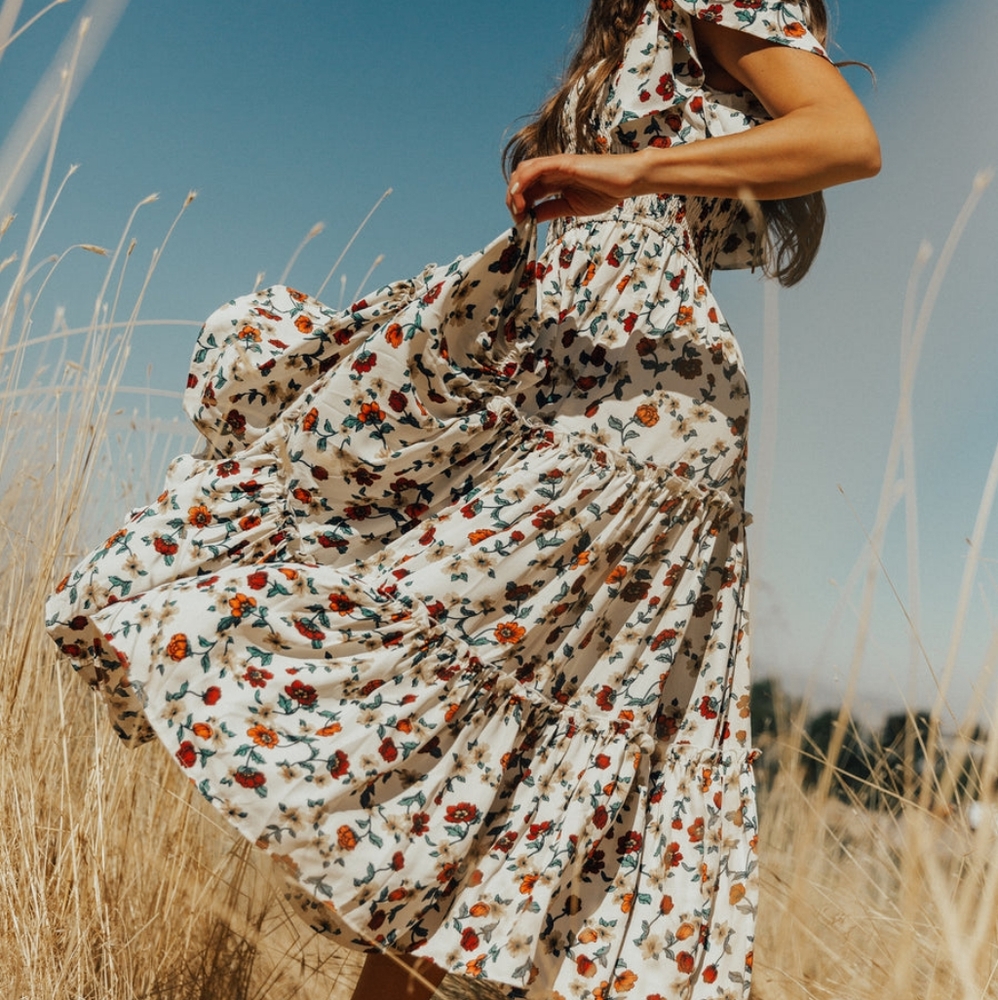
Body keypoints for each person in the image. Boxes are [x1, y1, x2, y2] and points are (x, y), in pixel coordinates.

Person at [45, 0, 879, 997]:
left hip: (639, 423)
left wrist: (628, 171)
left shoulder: (714, 4)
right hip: (559, 385)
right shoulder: (627, 30)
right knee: (476, 768)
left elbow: (843, 137)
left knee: (490, 739)